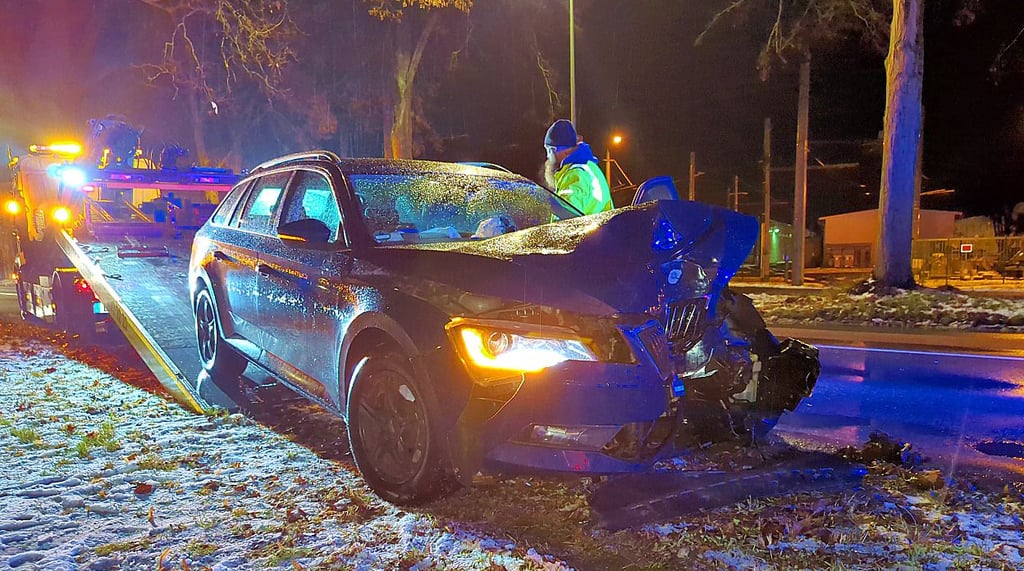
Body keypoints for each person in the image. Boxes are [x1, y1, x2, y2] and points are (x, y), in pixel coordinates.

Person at [542, 119, 613, 216]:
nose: (548, 156)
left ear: (563, 150)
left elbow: (565, 220)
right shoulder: (590, 167)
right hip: (601, 229)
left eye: (549, 150)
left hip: (591, 231)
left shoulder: (575, 175)